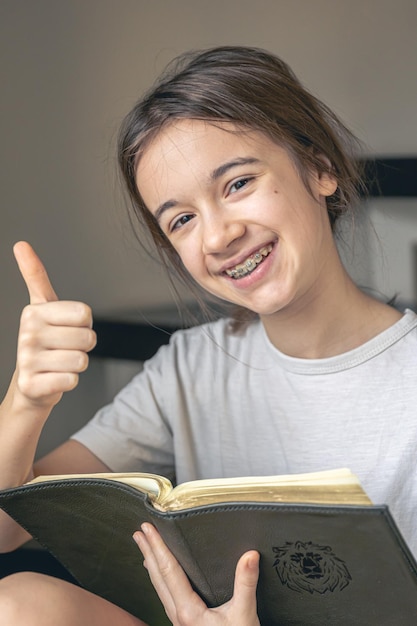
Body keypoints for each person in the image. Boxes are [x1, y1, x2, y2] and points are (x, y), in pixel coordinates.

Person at [0, 45, 416, 626]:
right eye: (182, 220)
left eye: (239, 182)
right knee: (18, 604)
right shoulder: (189, 369)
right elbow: (6, 528)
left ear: (320, 167)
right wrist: (26, 400)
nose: (218, 236)